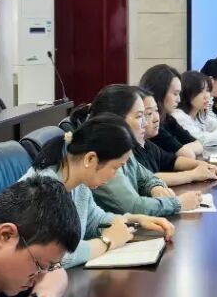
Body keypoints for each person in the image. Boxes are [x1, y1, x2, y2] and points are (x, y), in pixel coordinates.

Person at [20, 113, 176, 268]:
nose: (115, 175)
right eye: (115, 167)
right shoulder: (43, 188)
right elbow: (54, 256)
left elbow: (94, 220)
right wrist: (106, 242)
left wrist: (133, 221)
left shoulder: (78, 180)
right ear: (90, 159)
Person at [77, 84, 204, 216]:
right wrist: (178, 203)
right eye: (139, 116)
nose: (145, 123)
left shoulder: (123, 147)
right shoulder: (103, 154)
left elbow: (146, 177)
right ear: (116, 119)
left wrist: (155, 187)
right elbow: (133, 206)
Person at [135, 88, 217, 185]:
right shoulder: (130, 150)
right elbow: (147, 178)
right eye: (148, 114)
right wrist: (193, 174)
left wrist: (204, 165)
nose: (156, 118)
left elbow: (172, 161)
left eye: (156, 110)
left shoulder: (148, 144)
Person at [140, 64, 205, 158]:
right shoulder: (153, 124)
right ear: (160, 92)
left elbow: (198, 144)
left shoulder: (168, 119)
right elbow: (188, 155)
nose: (179, 99)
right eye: (175, 94)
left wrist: (182, 150)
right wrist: (183, 150)